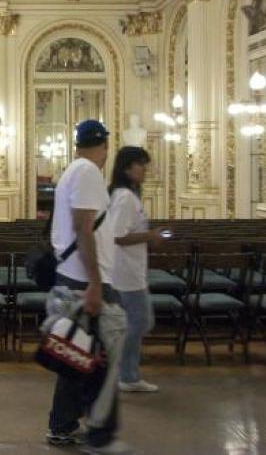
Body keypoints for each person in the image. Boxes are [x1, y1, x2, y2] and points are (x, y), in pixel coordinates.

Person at [46, 119, 130, 455]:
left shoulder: (73, 170)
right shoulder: (89, 173)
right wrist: (95, 282)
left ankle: (65, 426)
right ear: (105, 146)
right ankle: (93, 431)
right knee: (95, 359)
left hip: (77, 277)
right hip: (84, 281)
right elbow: (84, 228)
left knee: (78, 357)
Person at [109, 146, 166, 393]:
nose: (145, 170)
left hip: (131, 270)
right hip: (125, 273)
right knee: (139, 321)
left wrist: (149, 236)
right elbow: (118, 236)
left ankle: (126, 372)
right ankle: (126, 374)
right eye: (141, 165)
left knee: (136, 322)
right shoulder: (124, 198)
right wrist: (150, 235)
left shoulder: (128, 196)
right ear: (127, 168)